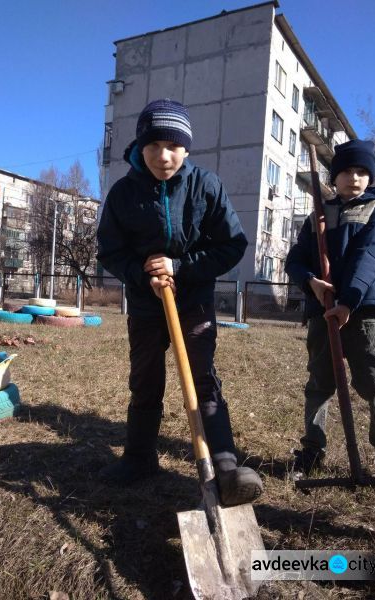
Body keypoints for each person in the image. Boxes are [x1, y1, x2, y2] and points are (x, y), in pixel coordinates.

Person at [96, 98, 263, 505]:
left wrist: (180, 266)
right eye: (153, 146)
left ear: (187, 149)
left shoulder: (205, 185)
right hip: (146, 301)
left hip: (193, 299)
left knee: (202, 377)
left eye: (173, 146)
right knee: (146, 377)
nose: (163, 156)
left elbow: (232, 244)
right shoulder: (123, 193)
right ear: (140, 147)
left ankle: (223, 463)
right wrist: (143, 273)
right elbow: (110, 250)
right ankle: (139, 457)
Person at [285, 139, 375, 489]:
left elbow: (370, 256)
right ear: (334, 177)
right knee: (319, 380)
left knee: (373, 380)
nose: (355, 178)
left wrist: (348, 300)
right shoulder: (320, 214)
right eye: (347, 171)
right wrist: (311, 283)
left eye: (362, 171)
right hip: (324, 310)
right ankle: (313, 449)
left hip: (362, 308)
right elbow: (296, 259)